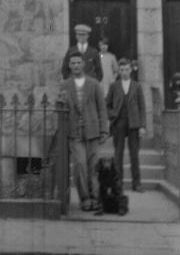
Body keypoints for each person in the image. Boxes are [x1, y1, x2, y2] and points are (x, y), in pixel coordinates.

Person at [60, 52, 109, 211]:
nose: (75, 66)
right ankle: (85, 198)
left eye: (78, 63)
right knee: (80, 165)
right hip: (75, 133)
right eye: (72, 63)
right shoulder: (65, 85)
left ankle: (95, 197)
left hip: (93, 131)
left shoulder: (94, 84)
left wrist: (104, 130)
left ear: (83, 64)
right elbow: (61, 107)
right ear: (69, 65)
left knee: (93, 166)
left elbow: (102, 109)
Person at [105, 58, 146, 193]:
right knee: (118, 154)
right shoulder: (114, 86)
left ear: (130, 70)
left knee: (134, 154)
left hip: (134, 123)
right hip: (119, 122)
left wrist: (142, 126)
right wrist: (112, 115)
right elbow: (107, 105)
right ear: (119, 71)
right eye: (121, 70)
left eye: (126, 69)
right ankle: (118, 183)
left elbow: (142, 107)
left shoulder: (137, 86)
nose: (124, 72)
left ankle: (137, 183)